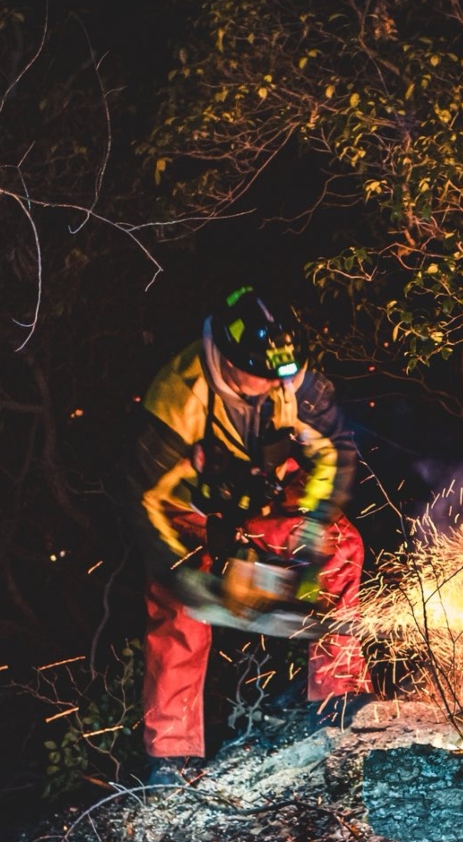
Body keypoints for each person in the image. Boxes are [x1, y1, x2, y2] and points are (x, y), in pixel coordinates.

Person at [127, 288, 372, 781]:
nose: (272, 386)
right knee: (177, 609)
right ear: (226, 358)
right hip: (193, 514)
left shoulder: (295, 380)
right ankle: (172, 755)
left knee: (342, 548)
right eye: (257, 375)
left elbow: (335, 452)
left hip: (264, 500)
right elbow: (143, 501)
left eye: (281, 375)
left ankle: (341, 702)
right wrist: (185, 576)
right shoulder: (178, 396)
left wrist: (313, 526)